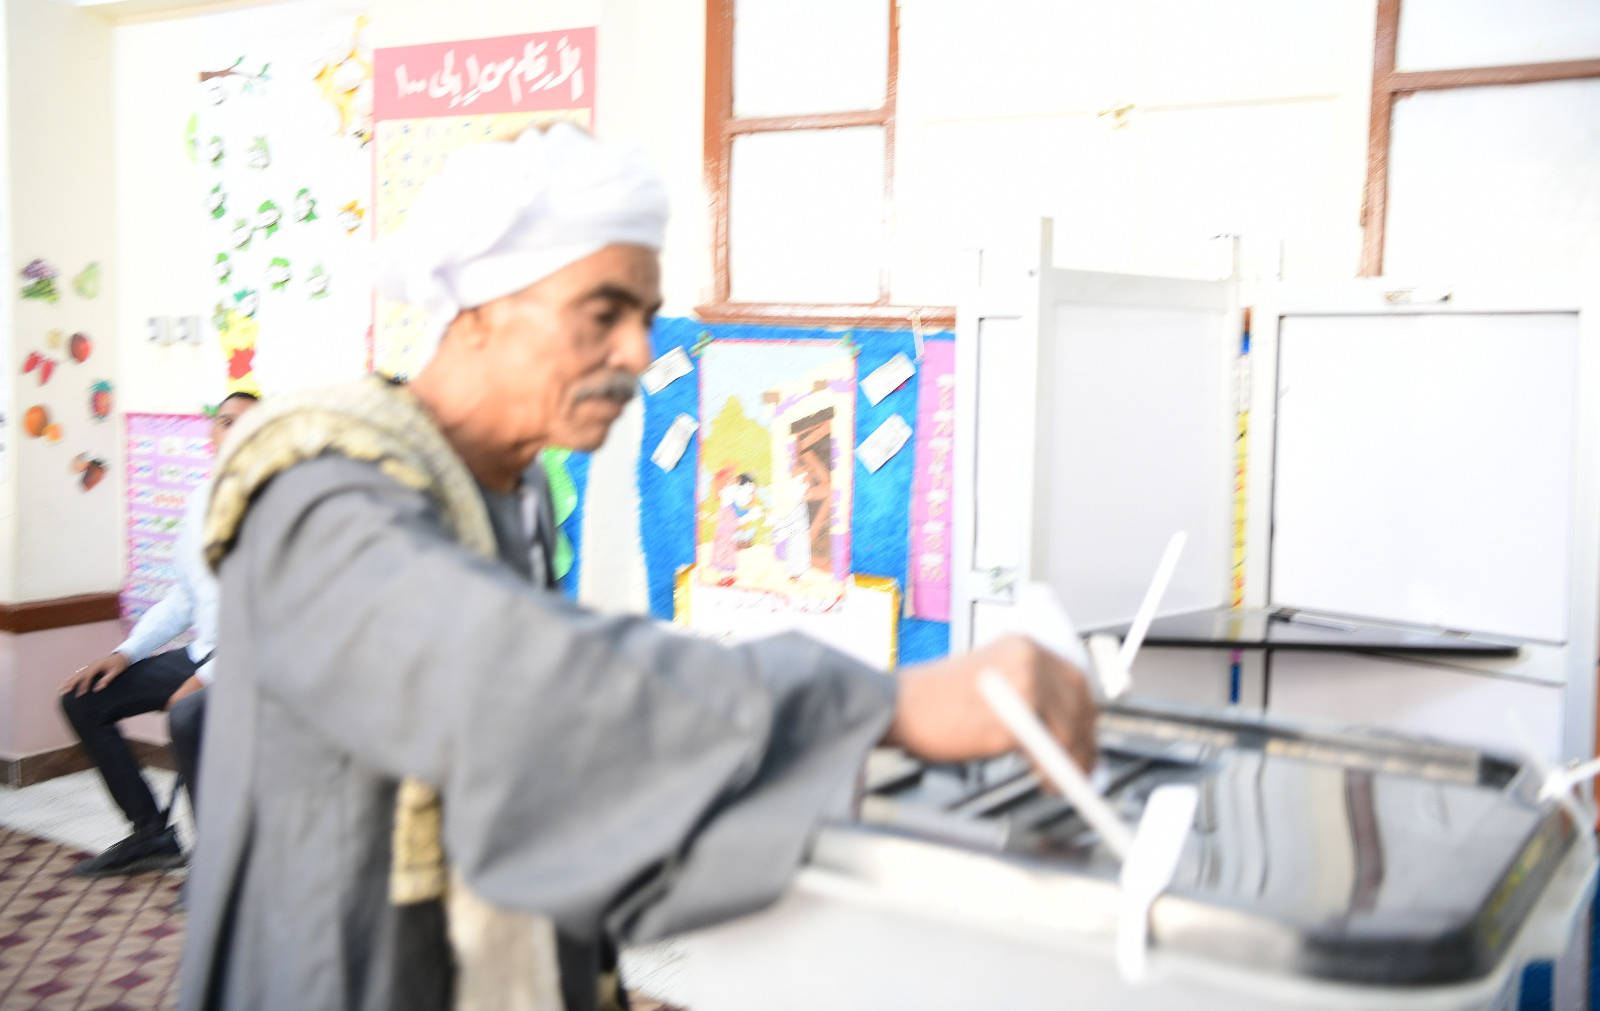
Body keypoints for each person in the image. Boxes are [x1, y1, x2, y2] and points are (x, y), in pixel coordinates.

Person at [179, 124, 1096, 1011]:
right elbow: (502, 675)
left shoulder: (510, 490)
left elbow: (558, 782)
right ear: (480, 313)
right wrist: (886, 704)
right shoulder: (318, 493)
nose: (639, 354)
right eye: (602, 315)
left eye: (647, 319)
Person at [58, 391, 260, 877]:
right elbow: (183, 598)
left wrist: (204, 680)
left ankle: (221, 868)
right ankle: (152, 835)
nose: (235, 431)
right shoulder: (201, 501)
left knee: (191, 717)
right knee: (84, 700)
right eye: (226, 421)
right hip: (203, 653)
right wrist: (126, 653)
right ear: (211, 434)